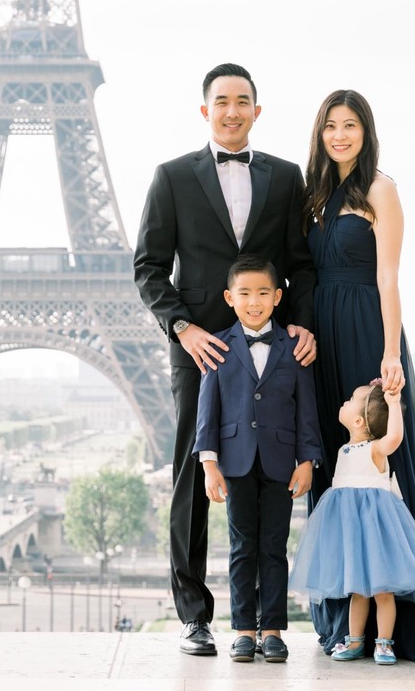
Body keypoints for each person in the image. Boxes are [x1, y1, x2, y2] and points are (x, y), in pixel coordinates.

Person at [133, 63, 317, 656]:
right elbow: (149, 266)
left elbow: (300, 264)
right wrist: (183, 328)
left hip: (271, 351)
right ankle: (194, 616)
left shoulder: (286, 177)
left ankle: (268, 621)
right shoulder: (171, 176)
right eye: (222, 101)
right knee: (194, 473)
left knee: (274, 474)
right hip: (200, 348)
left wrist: (300, 323)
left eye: (243, 101)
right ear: (204, 110)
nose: (232, 111)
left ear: (256, 111)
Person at [304, 89, 415, 662]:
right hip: (321, 333)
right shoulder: (314, 192)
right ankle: (344, 623)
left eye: (350, 125)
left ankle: (397, 629)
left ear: (366, 132)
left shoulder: (380, 189)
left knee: (380, 466)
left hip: (368, 327)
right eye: (330, 125)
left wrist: (390, 352)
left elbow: (389, 276)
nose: (340, 135)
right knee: (336, 465)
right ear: (319, 133)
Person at [193, 256, 323, 663]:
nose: (254, 301)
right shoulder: (217, 345)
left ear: (278, 297)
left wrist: (307, 460)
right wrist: (209, 464)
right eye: (245, 293)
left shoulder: (294, 347)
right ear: (229, 298)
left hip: (281, 463)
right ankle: (244, 631)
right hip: (235, 463)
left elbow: (306, 409)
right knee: (241, 548)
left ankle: (273, 631)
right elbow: (207, 412)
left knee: (274, 547)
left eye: (263, 293)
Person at [290, 381, 415, 664]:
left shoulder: (375, 449)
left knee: (383, 592)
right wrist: (377, 392)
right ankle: (354, 641)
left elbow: (394, 437)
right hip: (350, 533)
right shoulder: (344, 450)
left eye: (351, 400)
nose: (345, 402)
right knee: (358, 591)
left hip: (376, 534)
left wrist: (392, 403)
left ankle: (384, 644)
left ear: (359, 421)